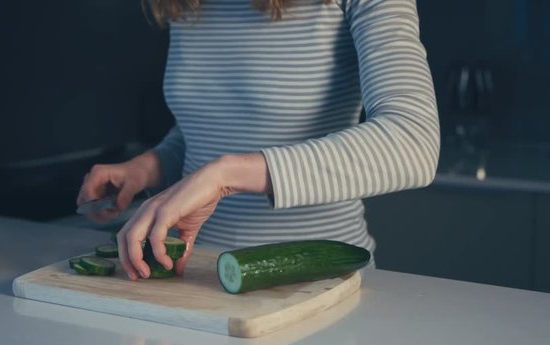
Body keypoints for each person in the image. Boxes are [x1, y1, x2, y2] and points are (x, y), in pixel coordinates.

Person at [77, 0, 440, 281]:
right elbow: (209, 131)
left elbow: (413, 139)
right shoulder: (187, 4)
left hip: (317, 280)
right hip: (199, 278)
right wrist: (146, 168)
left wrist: (225, 176)